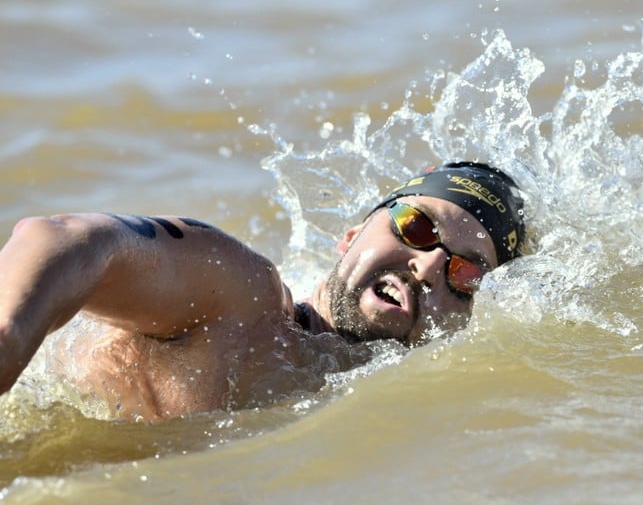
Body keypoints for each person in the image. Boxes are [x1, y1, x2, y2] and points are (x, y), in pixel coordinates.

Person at [0, 162, 526, 421]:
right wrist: (9, 338)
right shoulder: (243, 298)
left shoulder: (386, 416)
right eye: (415, 226)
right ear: (350, 236)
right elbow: (70, 239)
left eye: (466, 275)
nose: (429, 265)